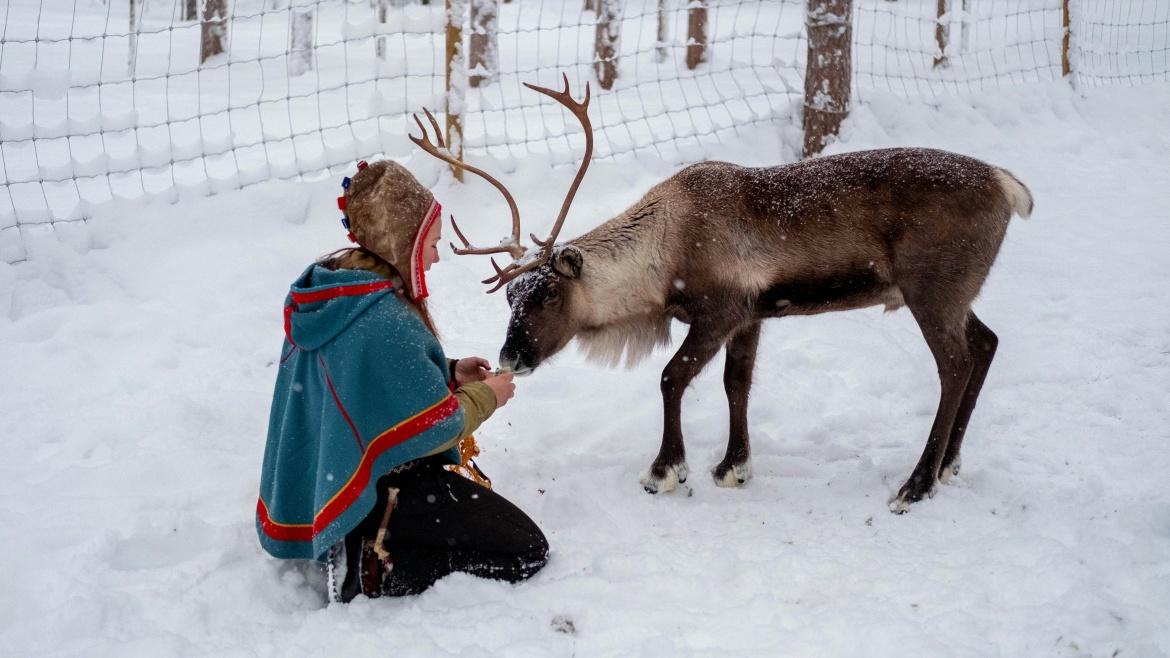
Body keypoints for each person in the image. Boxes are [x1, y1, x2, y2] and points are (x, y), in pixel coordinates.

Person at [255, 159, 548, 602]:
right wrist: (487, 396)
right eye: (430, 243)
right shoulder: (386, 317)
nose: (434, 256)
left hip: (331, 475)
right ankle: (378, 566)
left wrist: (447, 372)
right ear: (402, 241)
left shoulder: (335, 291)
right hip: (385, 487)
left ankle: (362, 533)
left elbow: (364, 376)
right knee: (526, 549)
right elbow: (439, 427)